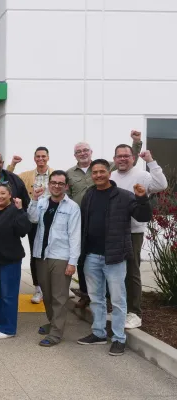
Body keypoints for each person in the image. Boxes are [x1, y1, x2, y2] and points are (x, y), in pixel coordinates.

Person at [77, 159, 152, 356]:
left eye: (102, 171)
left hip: (115, 256)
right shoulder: (89, 195)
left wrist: (142, 199)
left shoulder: (125, 196)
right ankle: (99, 333)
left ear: (109, 173)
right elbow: (84, 224)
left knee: (118, 300)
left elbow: (143, 217)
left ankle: (119, 338)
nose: (98, 175)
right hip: (91, 256)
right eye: (95, 172)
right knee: (96, 298)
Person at [67, 130, 142, 308]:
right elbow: (67, 195)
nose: (82, 153)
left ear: (91, 152)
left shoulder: (106, 166)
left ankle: (109, 298)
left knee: (107, 261)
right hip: (81, 220)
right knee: (83, 258)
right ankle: (85, 293)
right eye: (79, 151)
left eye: (85, 150)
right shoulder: (69, 173)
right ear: (75, 155)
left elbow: (128, 160)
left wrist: (136, 143)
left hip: (106, 218)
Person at [110, 147, 167, 329]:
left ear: (133, 158)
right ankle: (119, 308)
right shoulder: (111, 177)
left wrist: (150, 161)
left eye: (126, 156)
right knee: (115, 272)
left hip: (133, 231)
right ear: (114, 159)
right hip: (113, 231)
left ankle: (134, 313)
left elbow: (161, 185)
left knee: (132, 271)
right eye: (119, 156)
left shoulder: (142, 175)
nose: (123, 159)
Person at [27, 171, 81, 347]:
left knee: (59, 297)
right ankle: (53, 323)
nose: (56, 186)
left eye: (60, 183)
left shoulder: (72, 207)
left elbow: (75, 236)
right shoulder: (42, 202)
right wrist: (34, 199)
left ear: (66, 186)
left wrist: (72, 262)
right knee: (47, 295)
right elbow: (32, 218)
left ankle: (56, 333)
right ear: (49, 184)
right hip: (41, 255)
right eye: (54, 183)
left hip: (61, 256)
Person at [0, 182, 32, 339]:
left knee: (8, 295)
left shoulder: (15, 210)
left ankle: (9, 328)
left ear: (10, 195)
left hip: (10, 259)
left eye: (3, 193)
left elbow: (24, 230)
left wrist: (21, 210)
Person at [7, 147, 55, 304]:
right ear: (34, 158)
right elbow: (8, 178)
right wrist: (13, 164)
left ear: (48, 157)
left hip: (53, 219)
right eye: (38, 156)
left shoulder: (55, 174)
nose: (41, 159)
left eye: (43, 156)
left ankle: (54, 287)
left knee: (53, 252)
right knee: (36, 253)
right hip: (33, 219)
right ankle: (38, 289)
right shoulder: (27, 176)